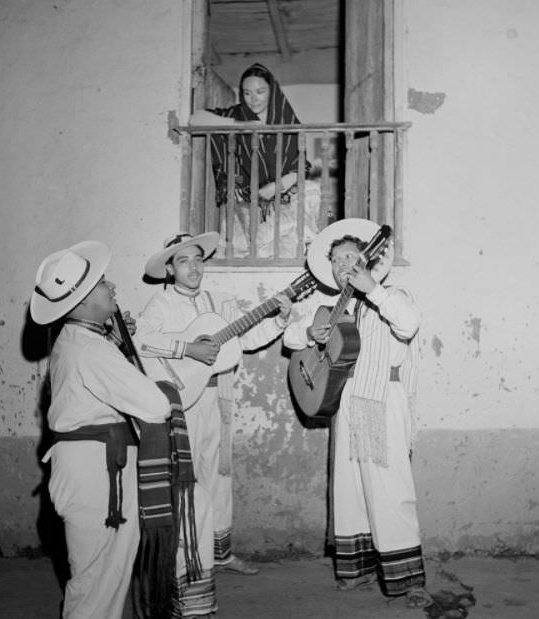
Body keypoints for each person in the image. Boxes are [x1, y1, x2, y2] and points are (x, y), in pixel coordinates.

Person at [134, 231, 293, 618]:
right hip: (179, 401)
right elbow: (141, 341)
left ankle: (218, 556)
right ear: (170, 269)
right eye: (184, 261)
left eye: (198, 259)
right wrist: (188, 348)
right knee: (189, 484)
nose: (194, 267)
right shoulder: (160, 303)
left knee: (217, 477)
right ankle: (188, 565)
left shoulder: (218, 302)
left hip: (215, 397)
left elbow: (247, 338)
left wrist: (280, 319)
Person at [283, 219, 433, 610]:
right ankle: (358, 568)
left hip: (381, 399)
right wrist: (311, 334)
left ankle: (409, 580)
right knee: (350, 492)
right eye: (335, 260)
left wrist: (374, 290)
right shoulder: (334, 307)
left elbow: (409, 324)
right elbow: (291, 337)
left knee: (389, 489)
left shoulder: (393, 293)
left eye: (349, 255)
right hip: (346, 402)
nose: (341, 264)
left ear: (368, 259)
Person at [29, 241, 172, 619]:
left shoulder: (82, 340)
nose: (113, 288)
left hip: (95, 469)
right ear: (82, 302)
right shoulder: (91, 350)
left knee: (104, 577)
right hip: (96, 475)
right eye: (104, 283)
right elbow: (157, 406)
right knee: (95, 581)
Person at [190, 63, 321, 259]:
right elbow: (194, 120)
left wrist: (274, 188)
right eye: (247, 93)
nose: (253, 99)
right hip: (244, 201)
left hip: (281, 198)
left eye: (260, 92)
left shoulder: (288, 121)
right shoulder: (236, 114)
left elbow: (299, 167)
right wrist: (240, 125)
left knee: (309, 195)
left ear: (272, 90)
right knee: (245, 252)